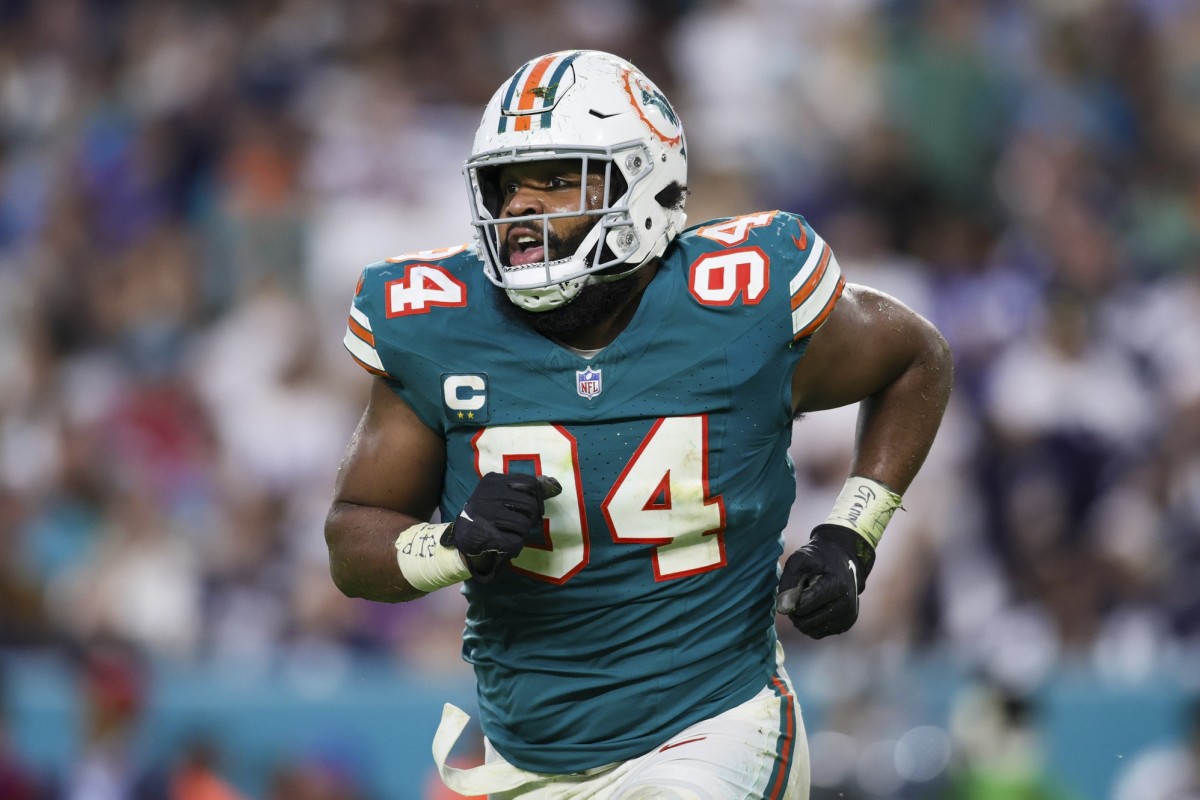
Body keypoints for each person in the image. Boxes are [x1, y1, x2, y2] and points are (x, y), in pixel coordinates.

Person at [325, 49, 953, 800]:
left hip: (712, 726)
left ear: (643, 181)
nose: (521, 207)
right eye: (506, 185)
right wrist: (450, 544)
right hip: (523, 752)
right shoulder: (437, 324)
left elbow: (916, 357)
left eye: (558, 180)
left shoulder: (738, 301)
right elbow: (352, 537)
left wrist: (851, 535)